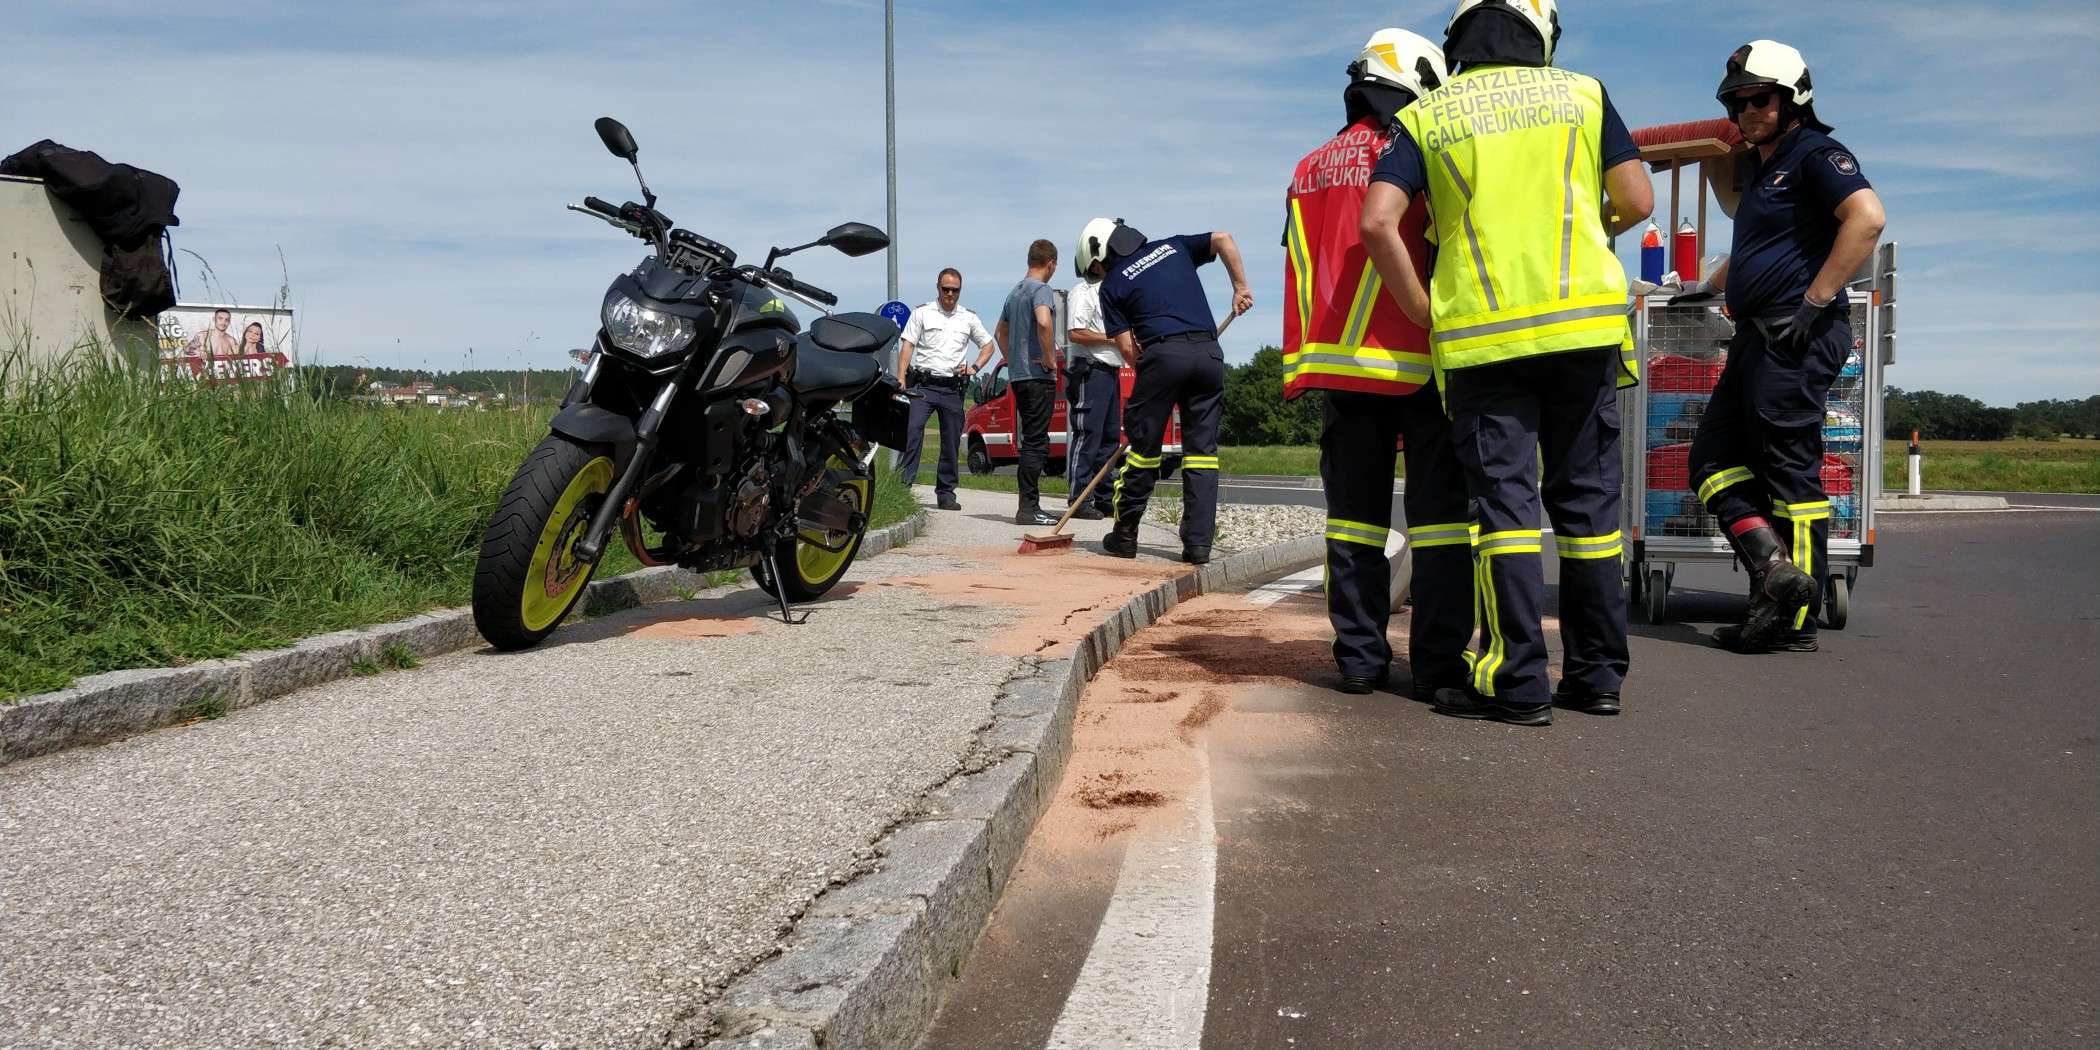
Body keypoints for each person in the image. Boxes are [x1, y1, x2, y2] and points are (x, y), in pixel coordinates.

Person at [1360, 0, 1652, 726]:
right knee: (1590, 514)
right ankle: (1596, 676)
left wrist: (1426, 308)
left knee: (1508, 513)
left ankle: (1518, 683)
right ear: (1541, 34)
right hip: (1583, 332)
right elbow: (1637, 200)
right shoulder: (1583, 94)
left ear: (1459, 41)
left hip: (1484, 344)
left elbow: (1376, 221)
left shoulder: (1431, 115)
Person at [1676, 40, 1886, 654]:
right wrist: (1703, 289)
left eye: (1760, 98)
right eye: (1737, 101)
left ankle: (1793, 623)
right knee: (1711, 461)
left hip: (1794, 336)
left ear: (1794, 99)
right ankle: (1774, 572)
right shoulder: (1766, 170)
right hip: (1756, 338)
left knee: (1789, 477)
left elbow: (1868, 218)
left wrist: (1816, 300)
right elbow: (1758, 249)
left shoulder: (1815, 153)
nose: (1748, 110)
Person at [1285, 28, 1474, 698]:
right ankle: (1438, 668)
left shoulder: (1308, 166)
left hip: (1336, 368)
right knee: (1442, 521)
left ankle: (1360, 661)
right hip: (1414, 361)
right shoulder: (1413, 149)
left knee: (1353, 524)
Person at [1092, 221, 1252, 564]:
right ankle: (1198, 546)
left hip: (1162, 356)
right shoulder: (1174, 247)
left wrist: (1155, 377)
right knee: (1202, 454)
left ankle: (1125, 536)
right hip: (1209, 355)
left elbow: (1126, 349)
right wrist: (1240, 287)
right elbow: (1224, 238)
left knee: (1143, 449)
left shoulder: (1112, 285)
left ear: (1103, 253)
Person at [896, 269, 998, 511]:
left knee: (950, 441)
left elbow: (988, 345)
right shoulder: (923, 312)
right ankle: (902, 486)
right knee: (912, 432)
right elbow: (907, 345)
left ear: (960, 290)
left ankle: (946, 493)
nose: (950, 294)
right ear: (938, 288)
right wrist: (901, 377)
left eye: (955, 290)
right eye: (946, 289)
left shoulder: (968, 318)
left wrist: (974, 367)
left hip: (952, 388)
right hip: (923, 385)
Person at [997, 240, 1063, 527]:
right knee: (1037, 442)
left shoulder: (1015, 292)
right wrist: (1049, 359)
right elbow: (1044, 322)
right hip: (1038, 376)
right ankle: (1029, 508)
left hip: (1020, 377)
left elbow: (1000, 332)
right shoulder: (1041, 289)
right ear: (1051, 263)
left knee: (1029, 440)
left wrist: (1012, 360)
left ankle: (1028, 505)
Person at [1063, 223, 1126, 521]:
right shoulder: (1083, 292)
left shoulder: (1112, 292)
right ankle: (1079, 497)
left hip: (1112, 369)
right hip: (1090, 371)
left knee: (1110, 438)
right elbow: (1076, 332)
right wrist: (1112, 339)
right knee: (1089, 434)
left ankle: (1102, 496)